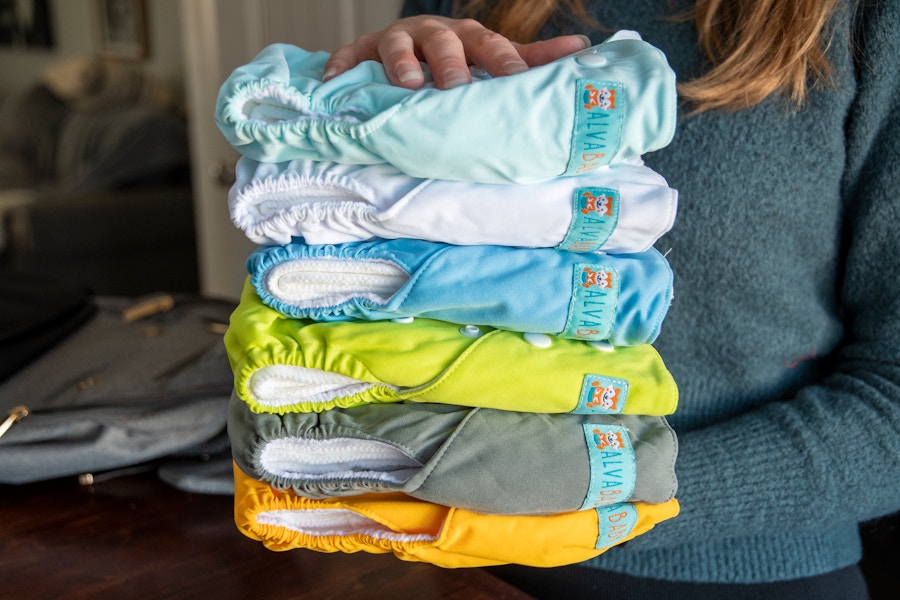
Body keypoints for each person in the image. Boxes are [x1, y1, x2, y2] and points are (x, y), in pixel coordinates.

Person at [322, 1, 900, 598]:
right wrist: (363, 108)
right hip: (448, 550)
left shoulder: (858, 19)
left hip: (745, 573)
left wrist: (596, 487)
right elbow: (380, 275)